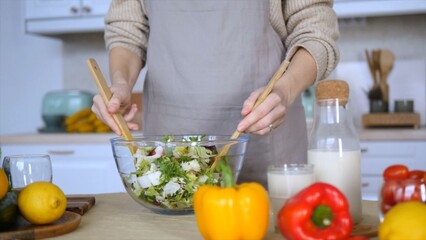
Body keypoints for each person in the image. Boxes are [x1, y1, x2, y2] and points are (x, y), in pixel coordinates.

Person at [92, 0, 340, 187]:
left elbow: (315, 29)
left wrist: (284, 90)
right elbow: (127, 30)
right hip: (167, 152)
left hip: (266, 142)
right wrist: (120, 83)